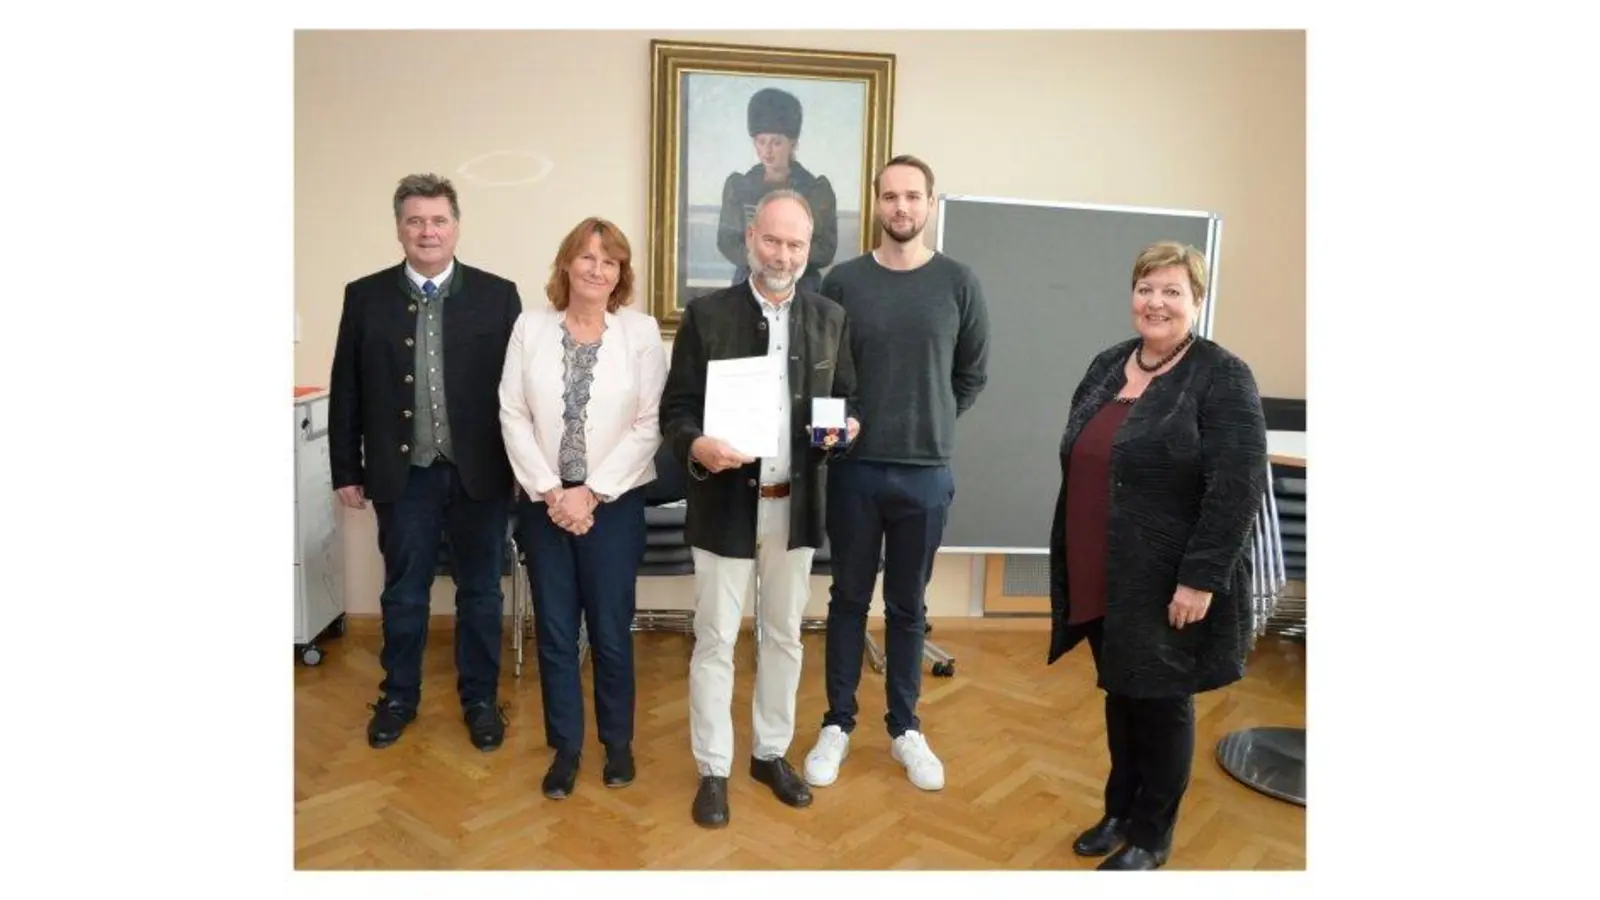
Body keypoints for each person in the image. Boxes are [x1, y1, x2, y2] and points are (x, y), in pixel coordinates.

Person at [1048, 241, 1267, 870]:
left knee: (1162, 702)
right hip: (1099, 566)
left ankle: (1151, 833)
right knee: (1122, 692)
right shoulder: (1108, 364)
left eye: (1173, 291)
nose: (1157, 302)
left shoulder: (1221, 375)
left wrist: (1200, 579)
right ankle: (1119, 808)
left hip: (1166, 577)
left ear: (1197, 301)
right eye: (1147, 288)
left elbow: (1237, 487)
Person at [661, 189, 859, 829]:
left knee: (784, 637)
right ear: (750, 239)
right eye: (771, 240)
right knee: (715, 638)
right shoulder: (707, 315)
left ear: (811, 248)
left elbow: (848, 399)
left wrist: (848, 427)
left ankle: (769, 753)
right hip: (724, 504)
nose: (782, 254)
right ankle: (713, 767)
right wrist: (697, 443)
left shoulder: (830, 317)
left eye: (795, 244)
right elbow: (677, 410)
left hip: (794, 509)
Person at [802, 154, 989, 793]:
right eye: (890, 196)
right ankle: (837, 723)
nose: (901, 207)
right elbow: (821, 375)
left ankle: (906, 727)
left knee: (909, 607)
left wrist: (929, 417)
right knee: (848, 600)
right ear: (877, 204)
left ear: (930, 204)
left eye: (913, 196)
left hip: (926, 474)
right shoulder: (843, 280)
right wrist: (837, 436)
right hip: (854, 472)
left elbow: (971, 376)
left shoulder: (960, 282)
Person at [328, 173, 523, 752]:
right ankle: (398, 697)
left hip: (482, 475)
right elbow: (346, 390)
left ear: (456, 227)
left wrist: (523, 470)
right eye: (416, 220)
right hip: (401, 474)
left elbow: (518, 394)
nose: (427, 231)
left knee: (482, 592)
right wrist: (346, 469)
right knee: (404, 592)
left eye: (438, 220)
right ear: (399, 228)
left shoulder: (498, 294)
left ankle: (481, 701)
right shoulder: (364, 296)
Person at [499, 217, 667, 799]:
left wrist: (591, 493)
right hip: (544, 504)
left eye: (610, 261)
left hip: (612, 506)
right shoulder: (530, 327)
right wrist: (552, 491)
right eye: (588, 257)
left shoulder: (641, 333)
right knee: (553, 629)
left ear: (620, 275)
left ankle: (616, 744)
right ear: (567, 262)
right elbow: (512, 414)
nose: (597, 269)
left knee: (611, 631)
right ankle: (566, 748)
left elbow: (649, 424)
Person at [716, 87, 839, 294]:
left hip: (801, 288)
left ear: (793, 144)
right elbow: (727, 241)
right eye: (761, 142)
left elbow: (825, 249)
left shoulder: (816, 190)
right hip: (747, 286)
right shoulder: (738, 186)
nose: (767, 150)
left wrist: (785, 261)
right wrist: (761, 261)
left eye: (776, 142)